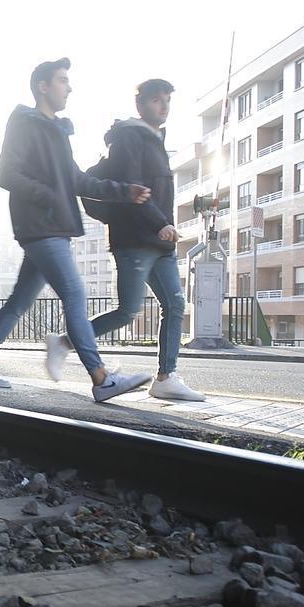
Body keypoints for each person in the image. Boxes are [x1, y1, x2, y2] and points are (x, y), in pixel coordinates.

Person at [0, 57, 154, 403]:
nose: (69, 87)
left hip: (52, 227)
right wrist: (48, 195)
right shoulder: (24, 123)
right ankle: (101, 378)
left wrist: (123, 192)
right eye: (63, 81)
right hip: (41, 226)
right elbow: (6, 173)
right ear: (43, 86)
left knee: (19, 302)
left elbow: (77, 180)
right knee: (75, 295)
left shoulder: (58, 132)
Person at [47, 79, 205, 401]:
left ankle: (166, 377)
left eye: (167, 101)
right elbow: (134, 189)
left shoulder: (156, 140)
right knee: (127, 311)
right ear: (141, 105)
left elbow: (157, 194)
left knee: (175, 304)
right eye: (157, 101)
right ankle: (64, 342)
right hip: (134, 239)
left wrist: (165, 226)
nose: (164, 107)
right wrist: (161, 223)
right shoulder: (129, 138)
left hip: (159, 241)